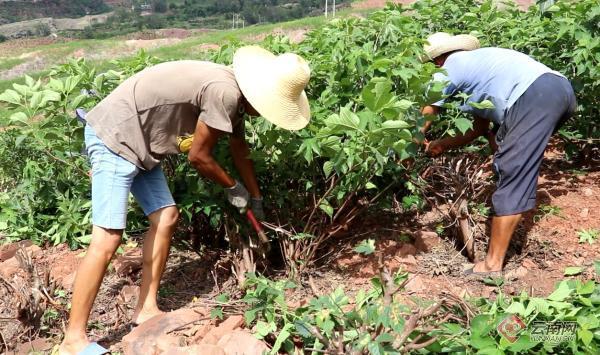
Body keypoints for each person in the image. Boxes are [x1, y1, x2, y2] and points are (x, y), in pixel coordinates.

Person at [59, 46, 311, 355]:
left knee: (166, 217)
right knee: (108, 238)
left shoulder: (234, 97)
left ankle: (146, 309)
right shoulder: (225, 93)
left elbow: (239, 149)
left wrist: (255, 196)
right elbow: (199, 157)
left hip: (141, 146)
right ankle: (73, 339)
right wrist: (233, 188)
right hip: (116, 137)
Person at [420, 32, 576, 275]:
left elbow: (428, 109)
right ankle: (514, 204)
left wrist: (411, 143)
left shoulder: (452, 66)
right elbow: (480, 129)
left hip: (534, 94)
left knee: (512, 169)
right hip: (559, 90)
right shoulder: (480, 67)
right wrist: (443, 144)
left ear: (438, 60)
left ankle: (492, 265)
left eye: (432, 64)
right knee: (510, 158)